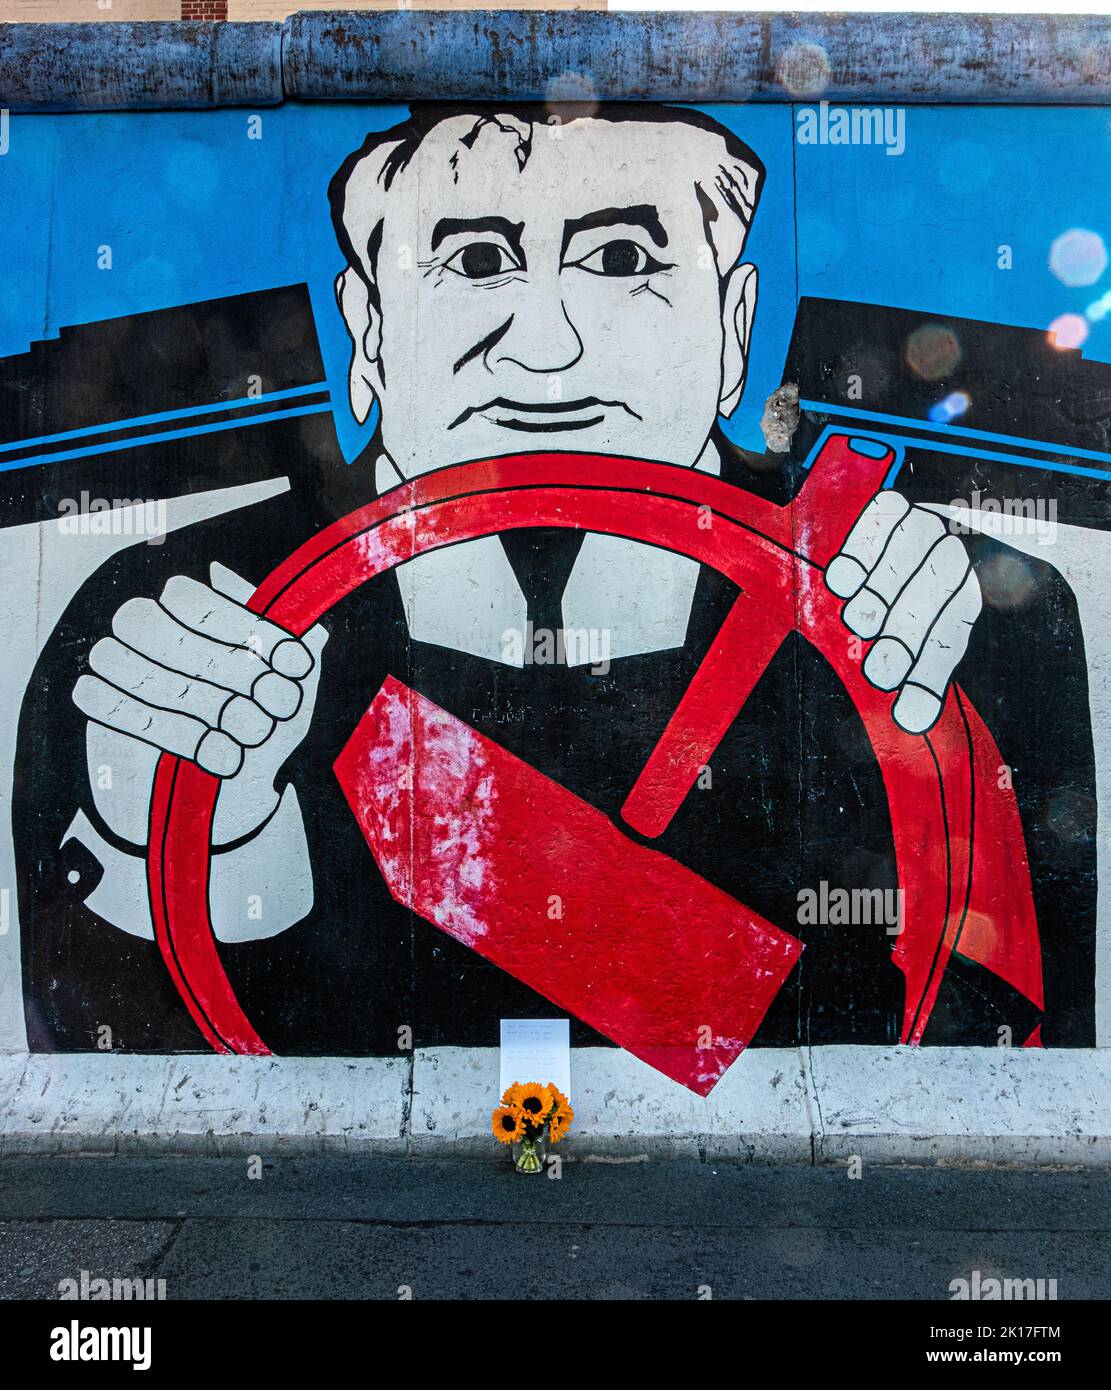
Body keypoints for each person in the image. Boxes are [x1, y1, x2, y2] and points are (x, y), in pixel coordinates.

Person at [18, 103, 1085, 1063]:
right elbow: (116, 1085)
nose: (545, 347)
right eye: (476, 261)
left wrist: (954, 688)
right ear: (368, 330)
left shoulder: (922, 602)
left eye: (622, 255)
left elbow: (986, 1053)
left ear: (733, 324)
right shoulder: (175, 618)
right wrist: (173, 832)